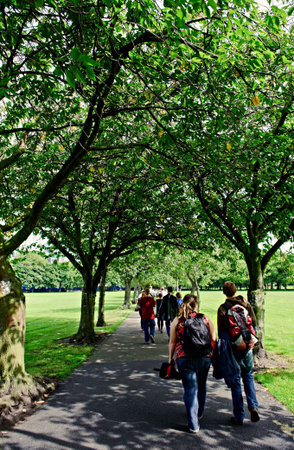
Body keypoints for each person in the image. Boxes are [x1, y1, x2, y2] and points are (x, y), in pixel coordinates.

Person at [169, 294, 216, 433]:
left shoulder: (178, 321)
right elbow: (213, 338)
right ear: (196, 305)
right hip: (204, 358)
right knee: (201, 385)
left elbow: (172, 342)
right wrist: (213, 354)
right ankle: (199, 412)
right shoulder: (205, 318)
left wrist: (170, 359)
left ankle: (193, 423)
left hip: (185, 358)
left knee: (190, 389)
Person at [217, 281, 260, 425]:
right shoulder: (245, 304)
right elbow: (253, 322)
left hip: (233, 346)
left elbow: (221, 330)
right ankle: (253, 406)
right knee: (248, 376)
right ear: (235, 290)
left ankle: (239, 415)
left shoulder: (223, 309)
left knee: (235, 380)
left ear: (224, 292)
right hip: (247, 345)